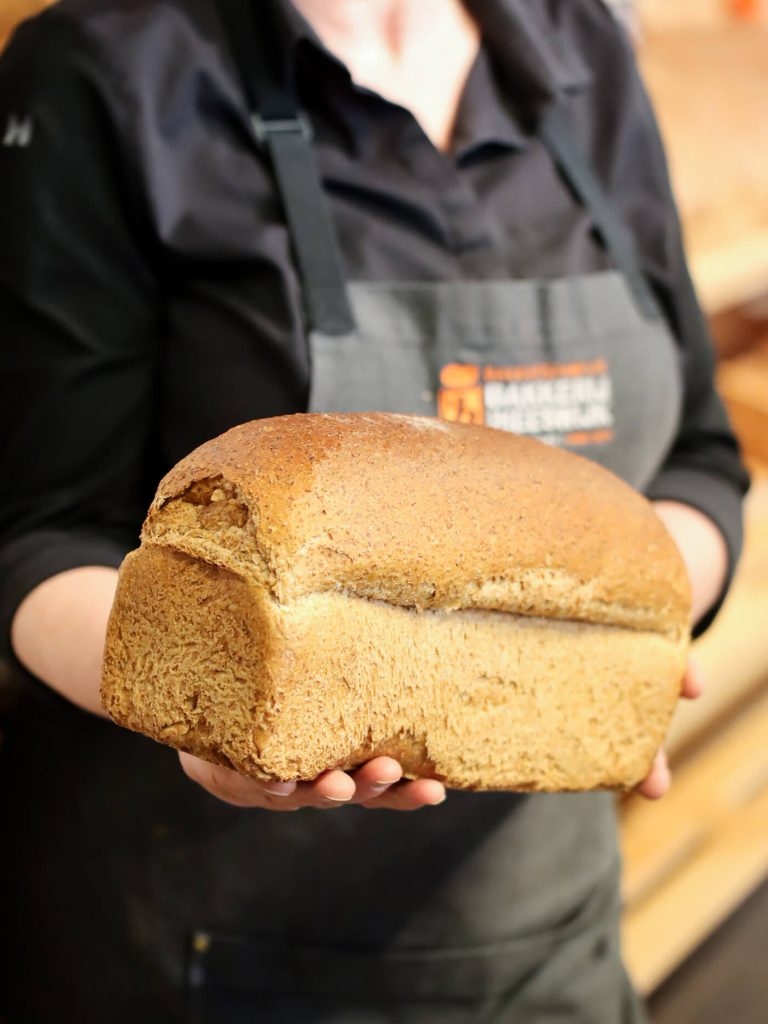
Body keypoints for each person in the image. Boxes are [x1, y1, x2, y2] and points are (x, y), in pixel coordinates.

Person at [0, 0, 749, 1021]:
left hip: (543, 943)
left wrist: (615, 634)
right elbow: (36, 530)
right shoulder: (111, 66)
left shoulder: (584, 49)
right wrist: (212, 704)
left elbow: (704, 457)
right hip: (201, 953)